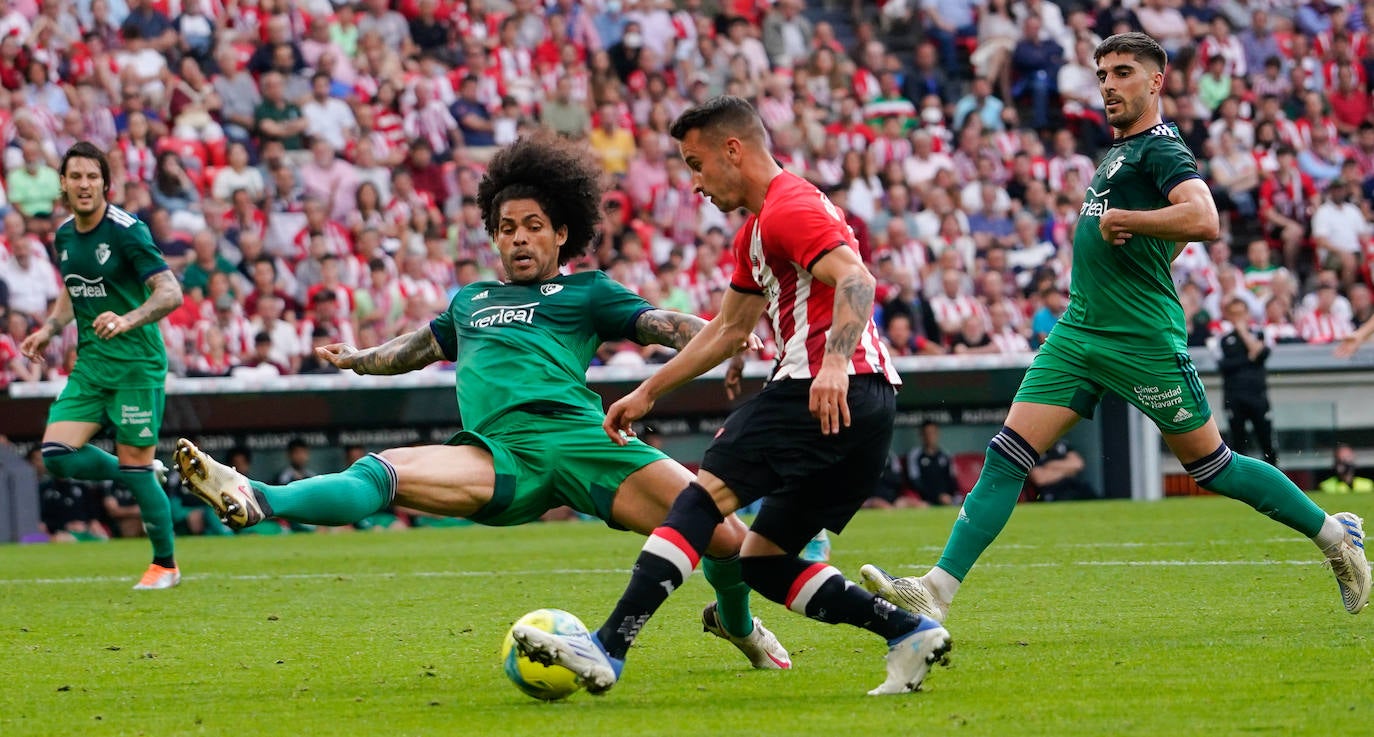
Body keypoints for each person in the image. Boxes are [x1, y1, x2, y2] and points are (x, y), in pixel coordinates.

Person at [171, 134, 790, 671]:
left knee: (726, 538)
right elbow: (417, 347)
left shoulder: (586, 291)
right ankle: (259, 498)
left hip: (586, 439)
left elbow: (659, 322)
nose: (518, 239)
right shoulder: (472, 300)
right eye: (506, 228)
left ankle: (735, 624)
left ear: (562, 233)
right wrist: (362, 358)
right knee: (383, 471)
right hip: (499, 452)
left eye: (532, 226)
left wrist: (723, 334)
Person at [859, 34, 1370, 627]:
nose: (1108, 84)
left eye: (1123, 72)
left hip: (1140, 340)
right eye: (1102, 74)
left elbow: (1203, 218)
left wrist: (1131, 219)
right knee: (1007, 453)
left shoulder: (1160, 149)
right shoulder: (1118, 152)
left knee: (1214, 467)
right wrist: (1146, 244)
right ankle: (937, 589)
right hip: (1078, 332)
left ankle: (1336, 536)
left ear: (1155, 82)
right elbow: (1167, 238)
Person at [512, 96, 951, 697]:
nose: (694, 182)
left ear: (733, 150)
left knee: (699, 501)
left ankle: (608, 646)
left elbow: (857, 278)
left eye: (696, 163)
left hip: (816, 388)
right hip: (867, 406)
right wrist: (647, 392)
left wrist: (834, 364)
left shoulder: (788, 209)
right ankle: (908, 633)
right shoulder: (757, 229)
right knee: (764, 562)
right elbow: (727, 330)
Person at [20, 141, 184, 589]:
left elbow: (171, 293)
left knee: (134, 463)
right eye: (76, 177)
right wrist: (50, 328)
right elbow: (75, 289)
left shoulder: (127, 230)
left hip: (136, 365)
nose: (84, 185)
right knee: (56, 455)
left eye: (92, 177)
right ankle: (140, 469)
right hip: (92, 364)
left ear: (106, 184)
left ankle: (165, 565)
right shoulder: (65, 235)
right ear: (64, 184)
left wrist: (128, 319)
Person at [1215, 297, 1278, 466]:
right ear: (1228, 315)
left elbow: (1263, 354)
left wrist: (1243, 332)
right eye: (1234, 314)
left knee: (1267, 442)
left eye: (1241, 313)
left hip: (1257, 396)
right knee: (1237, 444)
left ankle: (1273, 483)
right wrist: (1249, 358)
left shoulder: (1259, 333)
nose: (1238, 317)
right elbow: (1223, 365)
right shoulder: (1222, 339)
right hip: (1234, 397)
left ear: (1248, 314)